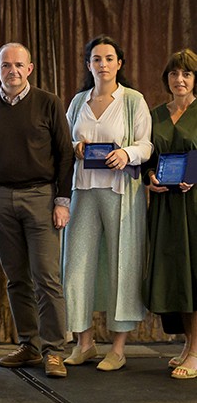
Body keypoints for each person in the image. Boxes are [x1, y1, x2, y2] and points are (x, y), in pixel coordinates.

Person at [0, 42, 74, 378]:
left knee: (47, 279)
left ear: (29, 69)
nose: (12, 71)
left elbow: (65, 154)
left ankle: (54, 351)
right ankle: (30, 345)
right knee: (16, 279)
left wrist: (62, 201)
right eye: (6, 65)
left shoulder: (49, 102)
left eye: (19, 65)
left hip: (41, 197)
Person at [62, 35, 151, 372]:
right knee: (76, 267)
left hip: (120, 193)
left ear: (119, 63)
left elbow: (146, 145)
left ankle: (117, 348)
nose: (103, 64)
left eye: (109, 58)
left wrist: (126, 153)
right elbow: (65, 140)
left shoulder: (133, 101)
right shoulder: (78, 102)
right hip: (82, 191)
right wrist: (75, 147)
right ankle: (84, 343)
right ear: (88, 65)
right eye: (97, 59)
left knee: (121, 265)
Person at [143, 49, 197, 379]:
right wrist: (150, 176)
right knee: (176, 275)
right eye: (174, 74)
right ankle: (188, 344)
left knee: (194, 273)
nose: (179, 79)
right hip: (165, 206)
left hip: (194, 205)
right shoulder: (155, 115)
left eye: (186, 74)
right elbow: (148, 158)